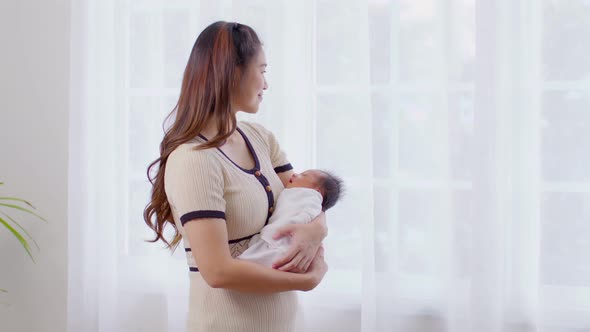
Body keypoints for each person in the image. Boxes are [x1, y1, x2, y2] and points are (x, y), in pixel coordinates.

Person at [143, 21, 328, 332]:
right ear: (233, 72)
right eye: (263, 70)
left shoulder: (260, 138)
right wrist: (307, 280)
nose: (266, 84)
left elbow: (308, 197)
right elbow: (217, 271)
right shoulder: (194, 160)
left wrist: (315, 232)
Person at [238, 170, 342, 268]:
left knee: (248, 264)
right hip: (273, 239)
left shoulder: (310, 197)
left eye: (304, 175)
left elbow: (310, 212)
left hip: (282, 241)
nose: (294, 174)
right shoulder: (296, 194)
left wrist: (300, 224)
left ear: (317, 191)